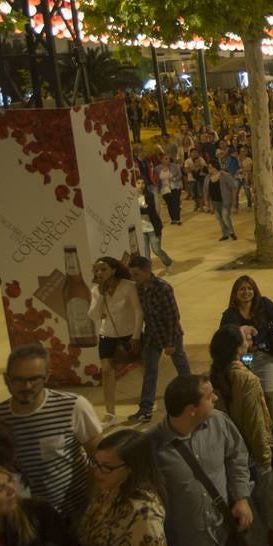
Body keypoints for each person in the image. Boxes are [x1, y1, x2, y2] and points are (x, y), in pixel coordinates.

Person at [151, 374, 253, 546]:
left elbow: (237, 458)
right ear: (192, 409)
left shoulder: (219, 422)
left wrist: (241, 498)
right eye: (209, 397)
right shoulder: (152, 446)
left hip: (222, 536)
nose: (215, 398)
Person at [0, 344, 101, 521]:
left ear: (47, 377)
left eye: (35, 379)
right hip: (21, 517)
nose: (27, 386)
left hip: (71, 513)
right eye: (18, 379)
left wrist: (90, 505)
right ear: (6, 379)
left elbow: (99, 456)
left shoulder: (73, 406)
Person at [78, 429, 171, 546]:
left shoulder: (143, 512)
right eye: (95, 463)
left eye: (106, 467)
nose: (97, 471)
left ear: (130, 469)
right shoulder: (108, 486)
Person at [219, 275, 273, 422]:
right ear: (235, 293)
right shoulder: (229, 315)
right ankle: (256, 427)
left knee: (268, 393)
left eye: (249, 288)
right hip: (245, 358)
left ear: (255, 290)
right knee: (250, 395)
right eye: (242, 289)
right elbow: (222, 339)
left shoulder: (265, 305)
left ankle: (271, 429)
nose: (246, 292)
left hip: (266, 355)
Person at [128, 256, 191, 426]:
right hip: (151, 335)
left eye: (136, 274)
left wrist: (170, 342)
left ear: (147, 271)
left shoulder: (164, 288)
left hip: (170, 333)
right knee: (150, 371)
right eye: (132, 274)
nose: (134, 278)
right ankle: (145, 409)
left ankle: (193, 395)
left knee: (181, 364)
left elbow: (172, 316)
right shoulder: (139, 288)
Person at [208, 326, 273, 472]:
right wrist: (266, 459)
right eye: (245, 339)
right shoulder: (247, 379)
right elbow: (254, 423)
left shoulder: (214, 375)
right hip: (246, 455)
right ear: (238, 348)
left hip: (226, 450)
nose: (248, 342)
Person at [90, 256, 144, 425]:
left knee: (144, 368)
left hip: (129, 335)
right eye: (97, 270)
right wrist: (100, 294)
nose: (100, 273)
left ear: (113, 270)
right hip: (107, 334)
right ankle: (110, 414)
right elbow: (93, 315)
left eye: (104, 269)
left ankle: (146, 404)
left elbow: (138, 311)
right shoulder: (96, 289)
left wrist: (136, 335)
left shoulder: (128, 286)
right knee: (106, 371)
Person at [136, 181, 173, 272]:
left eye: (143, 183)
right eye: (138, 183)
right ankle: (149, 272)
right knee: (146, 253)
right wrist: (142, 208)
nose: (141, 185)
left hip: (152, 227)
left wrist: (138, 208)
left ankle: (168, 262)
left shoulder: (149, 196)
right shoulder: (132, 198)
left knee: (156, 250)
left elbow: (149, 210)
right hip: (141, 229)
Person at [205, 163, 239, 241]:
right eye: (208, 167)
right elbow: (205, 191)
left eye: (210, 167)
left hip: (225, 201)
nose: (209, 169)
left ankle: (231, 233)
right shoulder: (207, 178)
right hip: (214, 201)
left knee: (225, 216)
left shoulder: (225, 175)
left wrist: (234, 203)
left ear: (215, 168)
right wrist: (207, 203)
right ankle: (225, 234)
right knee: (219, 218)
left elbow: (233, 188)